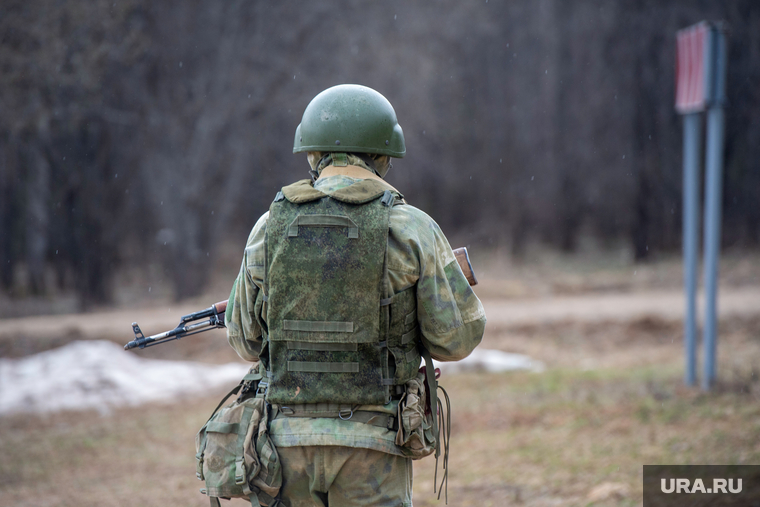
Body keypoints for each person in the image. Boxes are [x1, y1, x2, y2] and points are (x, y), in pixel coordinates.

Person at [225, 84, 486, 507]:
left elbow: (245, 341)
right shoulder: (412, 227)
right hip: (374, 446)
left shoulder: (267, 227)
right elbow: (455, 340)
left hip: (284, 451)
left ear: (313, 154)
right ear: (384, 157)